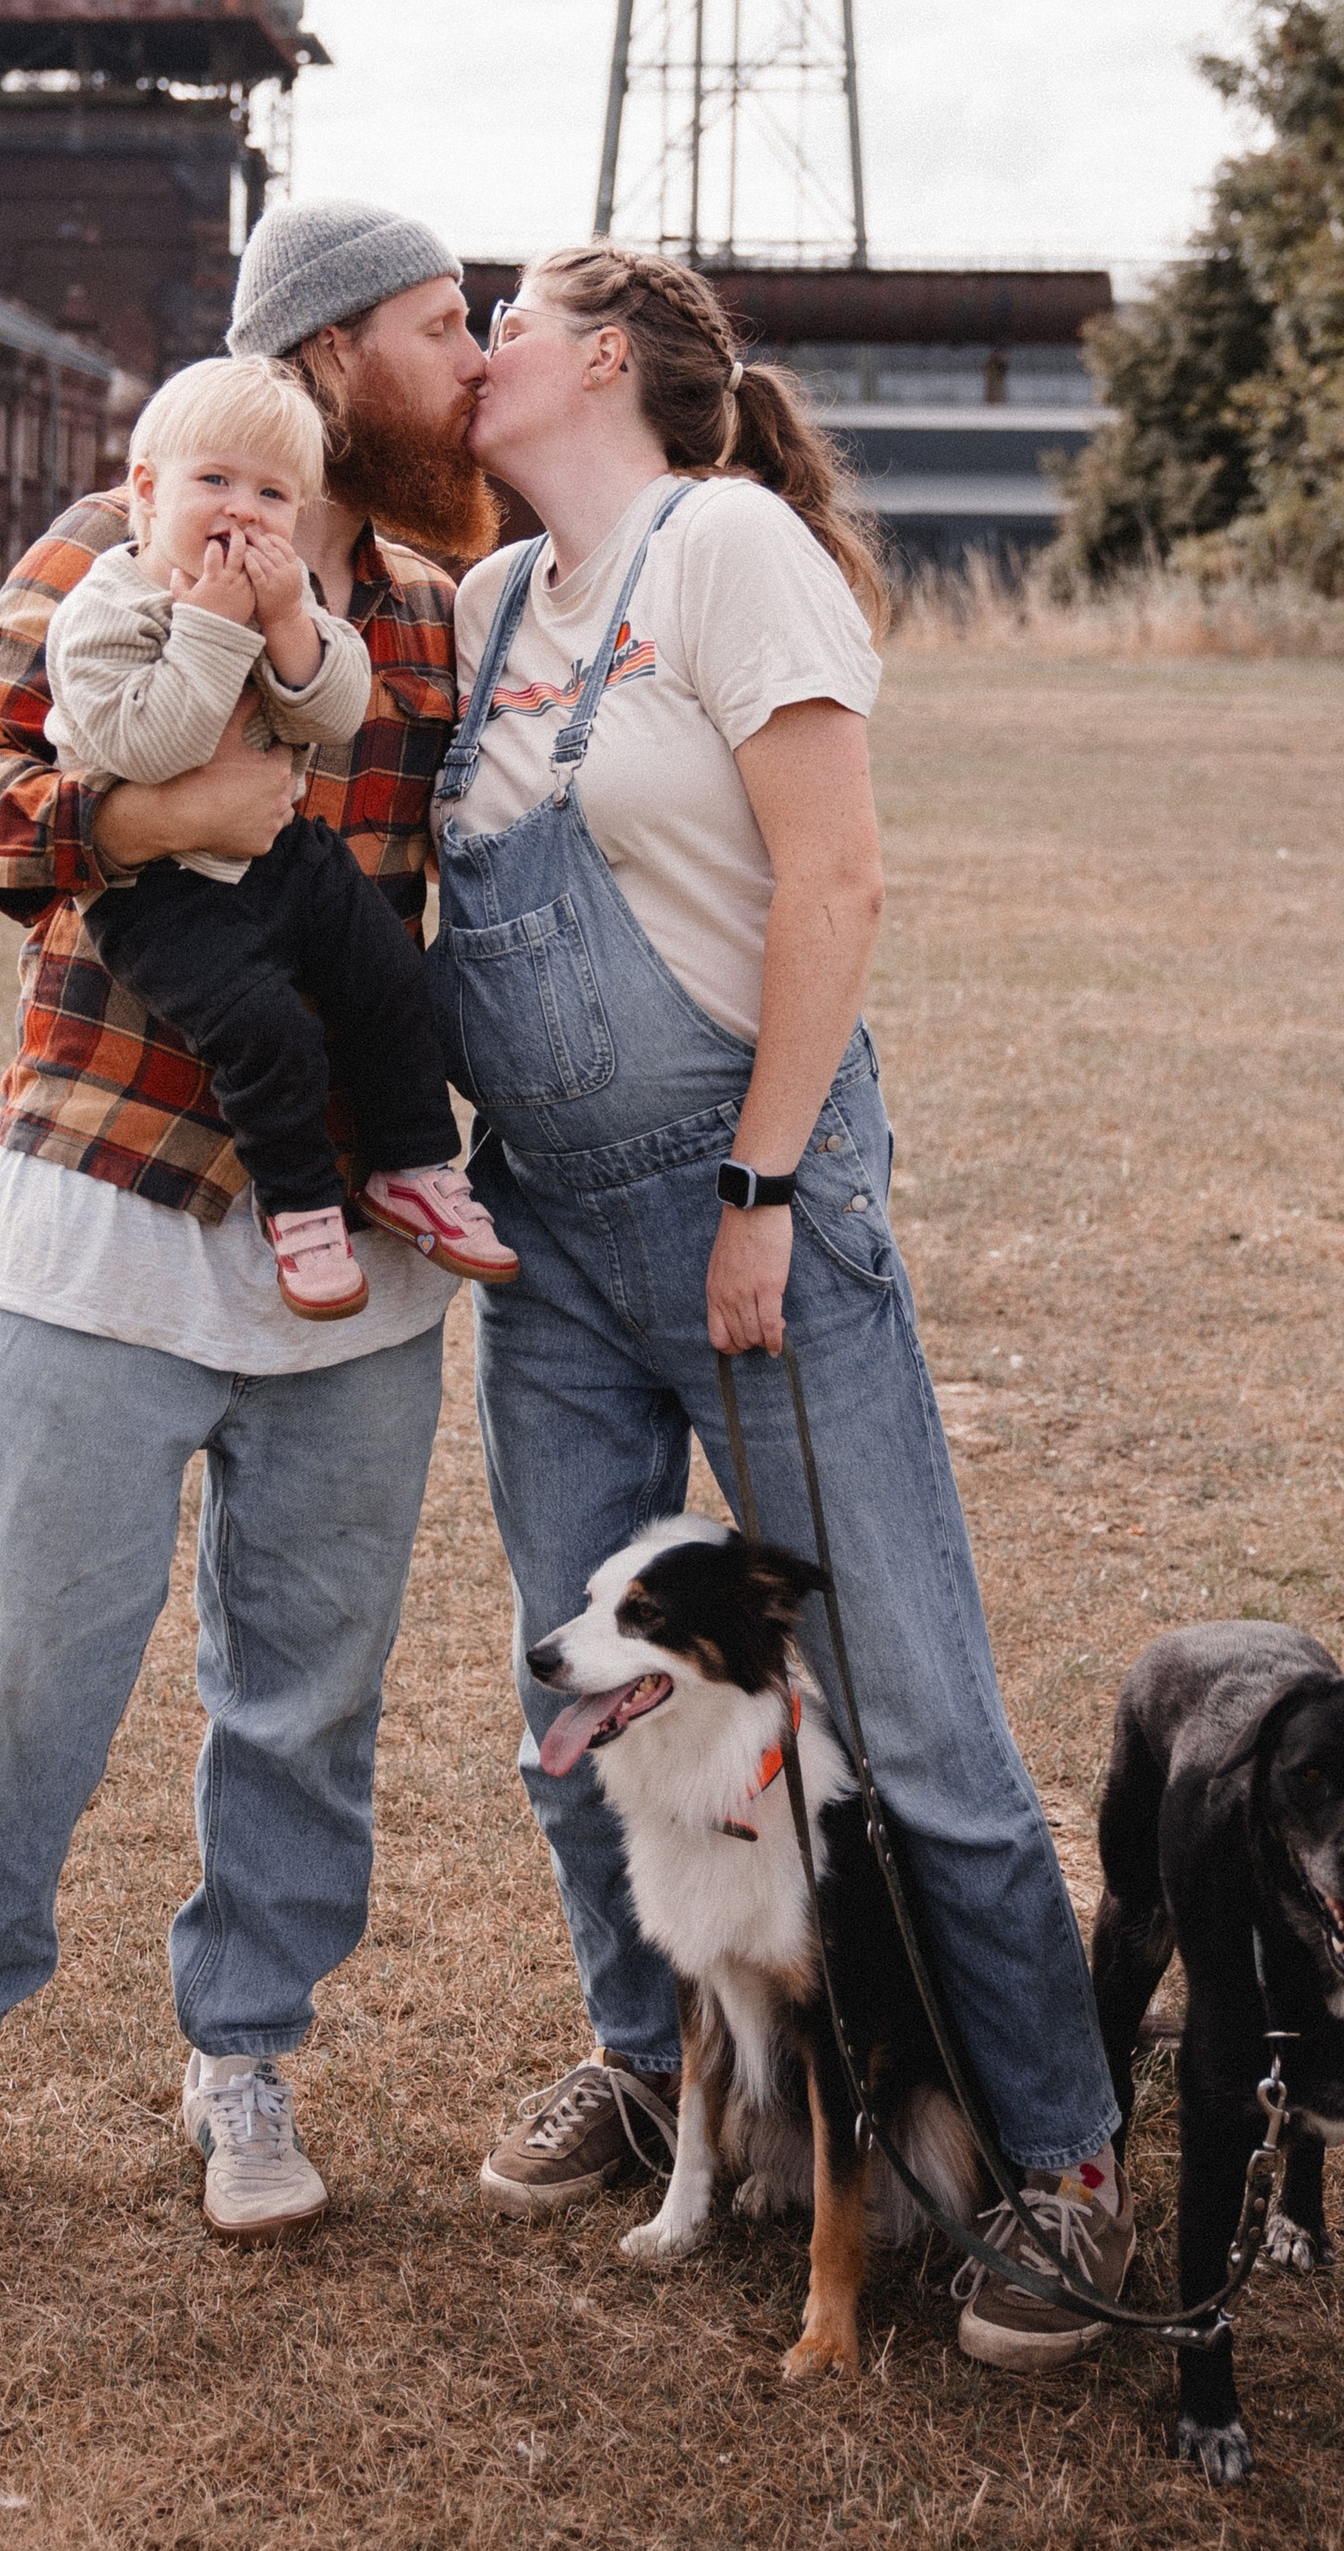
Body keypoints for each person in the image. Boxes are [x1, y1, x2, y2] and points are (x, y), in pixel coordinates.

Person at [0, 202, 498, 2276]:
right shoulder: (115, 539)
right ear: (328, 352)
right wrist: (144, 822)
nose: (474, 364)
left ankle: (243, 2059)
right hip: (98, 1206)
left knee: (307, 1702)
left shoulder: (424, 611)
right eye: (443, 326)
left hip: (356, 1256)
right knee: (13, 1683)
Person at [442, 246, 1132, 2368]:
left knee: (911, 1716)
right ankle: (661, 2072)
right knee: (578, 1700)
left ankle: (1062, 2166)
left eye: (509, 315)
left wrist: (754, 1190)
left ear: (607, 359)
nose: (476, 341)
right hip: (544, 1239)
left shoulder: (726, 549)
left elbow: (833, 882)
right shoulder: (485, 608)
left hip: (750, 1212)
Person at [46, 353, 513, 1319]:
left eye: (271, 494)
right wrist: (216, 629)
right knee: (269, 1033)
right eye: (215, 480)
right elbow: (156, 744)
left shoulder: (287, 594)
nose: (243, 512)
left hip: (285, 853)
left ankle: (413, 1165)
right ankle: (301, 1213)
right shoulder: (104, 605)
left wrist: (292, 623)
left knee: (390, 976)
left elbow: (332, 715)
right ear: (147, 491)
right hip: (161, 891)